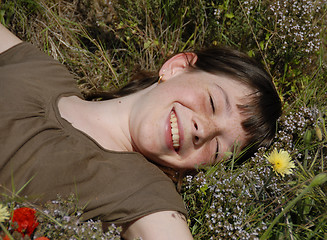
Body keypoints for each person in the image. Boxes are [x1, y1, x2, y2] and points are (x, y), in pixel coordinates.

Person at [0, 23, 281, 239]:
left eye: (217, 148)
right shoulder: (42, 71)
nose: (202, 130)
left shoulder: (143, 193)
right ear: (178, 67)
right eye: (212, 103)